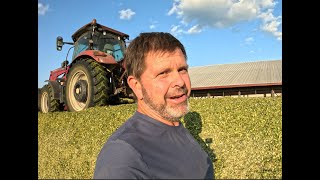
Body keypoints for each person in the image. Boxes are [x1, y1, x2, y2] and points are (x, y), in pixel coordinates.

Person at [93, 32, 214, 179]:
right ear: (137, 86)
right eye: (163, 73)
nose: (180, 82)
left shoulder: (175, 125)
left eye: (182, 70)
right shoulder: (122, 155)